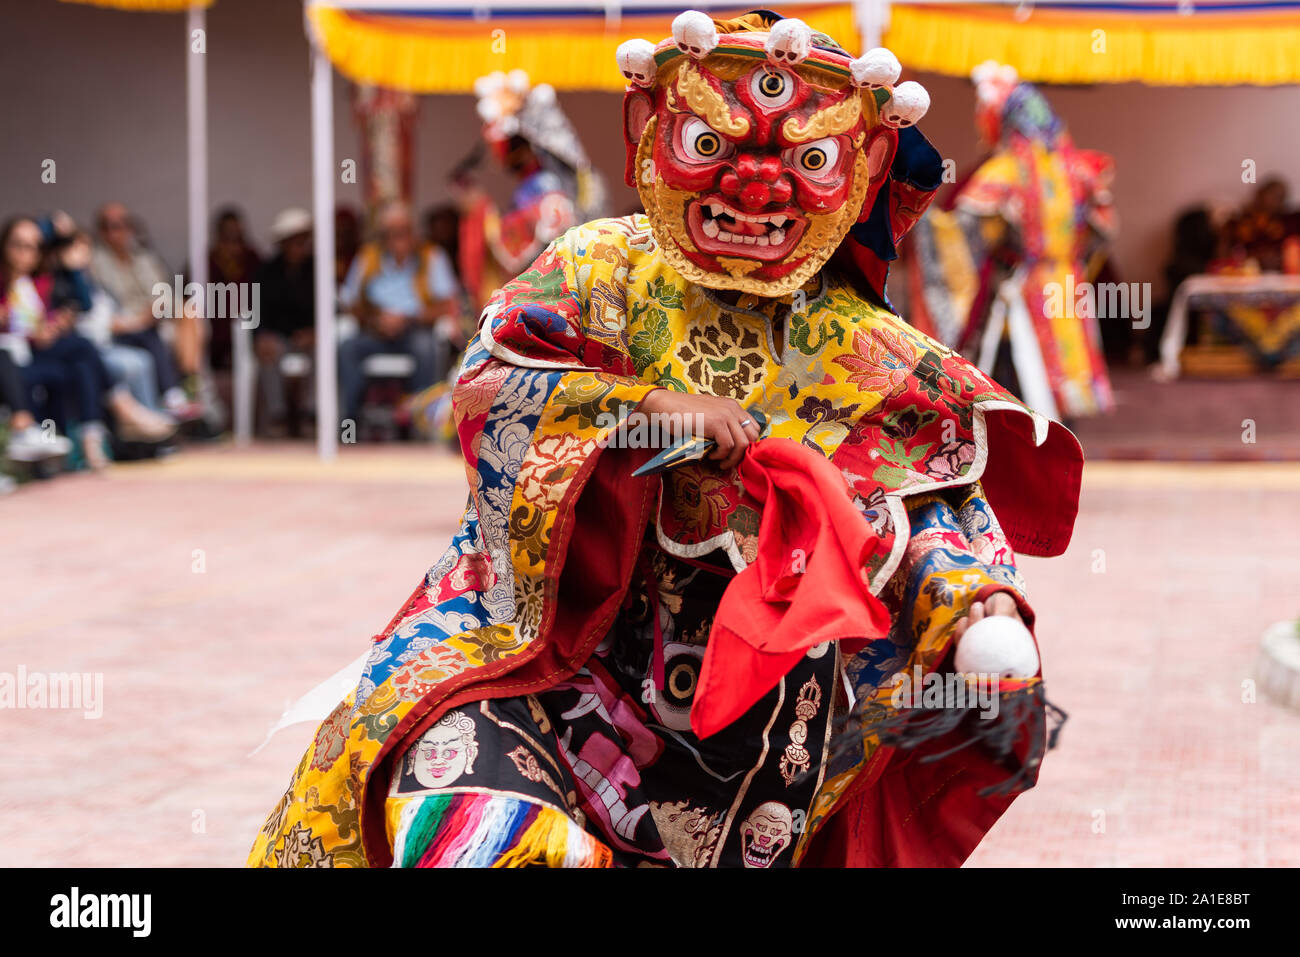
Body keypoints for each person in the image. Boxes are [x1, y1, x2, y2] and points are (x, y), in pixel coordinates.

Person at [251, 10, 1083, 869]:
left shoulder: (865, 346)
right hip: (557, 660)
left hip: (751, 733)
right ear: (651, 130)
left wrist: (975, 601)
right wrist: (648, 407)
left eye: (807, 161)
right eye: (712, 146)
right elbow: (489, 383)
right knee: (456, 811)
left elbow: (936, 493)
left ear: (863, 166)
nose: (757, 190)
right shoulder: (597, 271)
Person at [904, 63, 1117, 421]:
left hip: (1019, 292)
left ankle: (1021, 430)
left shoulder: (1004, 172)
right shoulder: (1079, 170)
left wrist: (918, 217)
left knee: (1019, 370)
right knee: (1062, 368)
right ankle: (1066, 424)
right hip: (1067, 282)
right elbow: (1104, 231)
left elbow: (964, 231)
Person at [2, 217, 175, 469]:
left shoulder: (41, 282)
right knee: (83, 348)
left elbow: (84, 304)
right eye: (18, 245)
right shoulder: (4, 283)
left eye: (34, 246)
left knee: (82, 362)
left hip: (40, 354)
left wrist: (53, 324)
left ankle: (93, 439)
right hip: (13, 360)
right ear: (4, 246)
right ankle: (114, 410)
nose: (25, 253)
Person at [455, 70, 606, 314]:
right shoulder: (549, 183)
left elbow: (521, 249)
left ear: (526, 147)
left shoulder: (548, 187)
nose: (498, 158)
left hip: (553, 297)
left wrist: (483, 214)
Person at [336, 199, 461, 428]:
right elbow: (350, 302)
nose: (397, 239)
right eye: (391, 233)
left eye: (403, 232)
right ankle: (350, 422)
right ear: (382, 235)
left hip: (415, 328)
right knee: (347, 348)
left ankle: (419, 422)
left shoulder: (432, 256)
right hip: (375, 330)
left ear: (413, 232)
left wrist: (407, 318)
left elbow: (447, 304)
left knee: (427, 349)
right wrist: (376, 320)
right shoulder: (368, 257)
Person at [90, 202, 204, 422]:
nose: (120, 231)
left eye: (125, 225)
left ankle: (189, 382)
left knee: (189, 311)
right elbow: (103, 305)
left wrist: (157, 308)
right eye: (113, 226)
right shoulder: (95, 262)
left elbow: (165, 294)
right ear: (102, 231)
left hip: (151, 319)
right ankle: (176, 393)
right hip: (121, 324)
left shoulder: (145, 259)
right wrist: (141, 316)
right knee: (149, 333)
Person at [252, 208, 315, 436]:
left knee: (324, 350)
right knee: (269, 351)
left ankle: (312, 414)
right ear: (283, 243)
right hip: (277, 336)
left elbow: (330, 308)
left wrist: (314, 332)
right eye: (294, 242)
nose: (300, 247)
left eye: (303, 241)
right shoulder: (266, 271)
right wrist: (261, 335)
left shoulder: (316, 270)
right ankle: (277, 417)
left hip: (308, 338)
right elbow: (255, 309)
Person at [207, 206, 263, 373]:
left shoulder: (251, 257)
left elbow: (263, 288)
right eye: (227, 233)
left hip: (250, 319)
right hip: (217, 320)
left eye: (236, 233)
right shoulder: (209, 259)